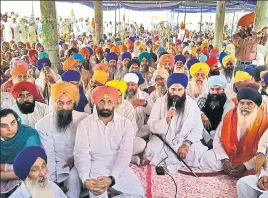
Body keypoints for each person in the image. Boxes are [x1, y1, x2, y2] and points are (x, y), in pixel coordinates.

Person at [74, 85, 144, 198]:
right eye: (102, 101)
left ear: (115, 103)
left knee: (138, 195)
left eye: (110, 102)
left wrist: (112, 178)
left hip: (118, 165)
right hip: (94, 166)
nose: (106, 106)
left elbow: (124, 154)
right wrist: (85, 178)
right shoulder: (85, 124)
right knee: (98, 193)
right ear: (96, 102)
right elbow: (81, 154)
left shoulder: (125, 124)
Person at [143, 73, 208, 173]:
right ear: (168, 89)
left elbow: (198, 129)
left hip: (183, 140)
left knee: (197, 150)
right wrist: (166, 119)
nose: (176, 93)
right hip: (163, 139)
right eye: (173, 89)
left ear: (184, 90)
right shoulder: (160, 102)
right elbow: (151, 126)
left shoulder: (192, 105)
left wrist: (186, 145)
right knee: (152, 147)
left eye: (179, 90)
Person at [35, 82, 88, 198]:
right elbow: (49, 154)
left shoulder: (84, 118)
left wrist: (75, 159)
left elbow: (88, 147)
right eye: (60, 103)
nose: (65, 107)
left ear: (74, 103)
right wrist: (52, 181)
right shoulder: (43, 124)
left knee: (74, 177)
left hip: (80, 161)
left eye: (69, 103)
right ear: (53, 102)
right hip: (58, 165)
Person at [200, 87, 268, 177]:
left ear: (257, 106)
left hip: (251, 158)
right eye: (242, 103)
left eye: (250, 104)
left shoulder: (264, 121)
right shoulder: (230, 115)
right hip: (230, 155)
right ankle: (230, 168)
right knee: (207, 157)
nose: (245, 107)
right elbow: (218, 140)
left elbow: (264, 151)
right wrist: (224, 160)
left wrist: (246, 166)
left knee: (262, 167)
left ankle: (243, 171)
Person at [0, 109, 41, 197]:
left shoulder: (29, 134)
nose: (10, 129)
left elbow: (32, 168)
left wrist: (3, 169)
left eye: (13, 122)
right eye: (4, 125)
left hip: (28, 180)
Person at [106, 80, 146, 165]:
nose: (118, 99)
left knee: (141, 144)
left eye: (120, 96)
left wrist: (124, 138)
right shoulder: (102, 104)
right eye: (115, 96)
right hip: (106, 139)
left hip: (122, 138)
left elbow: (133, 127)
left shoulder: (127, 105)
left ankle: (114, 157)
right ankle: (128, 158)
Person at [198, 76, 235, 149]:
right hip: (200, 134)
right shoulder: (203, 98)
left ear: (224, 89)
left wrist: (211, 139)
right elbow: (193, 110)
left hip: (219, 137)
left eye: (218, 89)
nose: (215, 92)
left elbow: (224, 124)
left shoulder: (229, 104)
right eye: (212, 89)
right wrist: (202, 114)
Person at [124, 73, 153, 138]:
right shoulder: (121, 96)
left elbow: (152, 112)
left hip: (141, 127)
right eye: (128, 85)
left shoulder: (144, 95)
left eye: (132, 85)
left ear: (137, 85)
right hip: (125, 127)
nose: (130, 87)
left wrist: (145, 104)